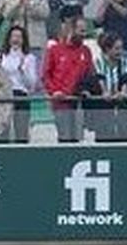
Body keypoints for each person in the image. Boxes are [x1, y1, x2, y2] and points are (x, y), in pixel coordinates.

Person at [40, 11, 95, 145]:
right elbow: (46, 75)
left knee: (78, 139)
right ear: (72, 30)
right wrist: (54, 91)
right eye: (81, 31)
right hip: (61, 102)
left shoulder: (86, 51)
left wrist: (87, 89)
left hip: (79, 103)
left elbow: (90, 74)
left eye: (85, 31)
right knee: (64, 138)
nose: (83, 34)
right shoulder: (54, 50)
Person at [80, 30, 127, 141]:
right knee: (104, 136)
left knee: (124, 136)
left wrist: (123, 93)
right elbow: (100, 78)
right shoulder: (98, 62)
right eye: (117, 49)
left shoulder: (125, 62)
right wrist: (105, 93)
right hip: (104, 108)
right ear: (107, 49)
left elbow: (125, 79)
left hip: (121, 107)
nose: (120, 51)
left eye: (121, 48)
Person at [0, 24, 41, 144]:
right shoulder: (0, 56)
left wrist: (22, 70)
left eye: (19, 37)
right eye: (13, 36)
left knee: (21, 131)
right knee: (2, 132)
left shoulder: (29, 58)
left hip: (21, 95)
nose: (16, 39)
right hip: (4, 96)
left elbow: (32, 83)